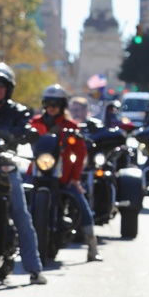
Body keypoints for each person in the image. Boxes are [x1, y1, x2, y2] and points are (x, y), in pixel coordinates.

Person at [0, 63, 48, 284]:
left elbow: (28, 129)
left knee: (20, 211)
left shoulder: (18, 111)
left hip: (4, 165)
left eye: (2, 86)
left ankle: (34, 269)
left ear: (8, 89)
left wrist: (14, 133)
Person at [30, 85, 102, 262]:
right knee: (15, 197)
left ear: (63, 105)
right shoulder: (34, 123)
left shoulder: (70, 126)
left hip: (62, 176)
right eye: (49, 103)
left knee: (79, 199)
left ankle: (92, 245)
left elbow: (81, 153)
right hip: (37, 174)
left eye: (56, 103)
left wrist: (74, 178)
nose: (52, 107)